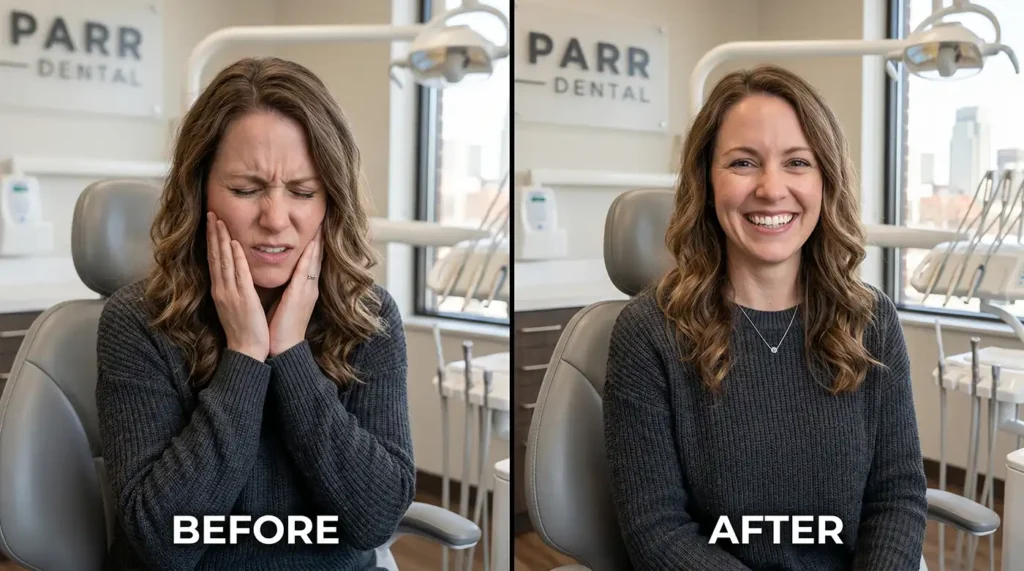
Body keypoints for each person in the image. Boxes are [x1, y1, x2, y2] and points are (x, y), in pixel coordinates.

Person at [602, 64, 927, 570]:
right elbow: (656, 528)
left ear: (826, 179)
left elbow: (897, 497)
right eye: (743, 163)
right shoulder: (650, 333)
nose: (772, 189)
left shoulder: (870, 320)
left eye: (797, 162)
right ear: (706, 181)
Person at [95, 56, 414, 571]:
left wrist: (290, 356)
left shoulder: (368, 316)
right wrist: (244, 355)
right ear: (200, 192)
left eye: (303, 192)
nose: (275, 219)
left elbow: (374, 521)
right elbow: (163, 541)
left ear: (330, 199)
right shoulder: (138, 321)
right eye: (246, 190)